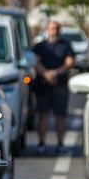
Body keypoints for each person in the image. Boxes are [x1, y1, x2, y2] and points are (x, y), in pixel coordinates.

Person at [32, 19, 75, 154]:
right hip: (43, 85)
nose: (54, 31)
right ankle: (41, 143)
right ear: (47, 29)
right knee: (43, 114)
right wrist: (46, 74)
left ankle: (60, 143)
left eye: (56, 28)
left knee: (60, 116)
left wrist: (55, 73)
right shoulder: (40, 46)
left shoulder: (66, 45)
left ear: (59, 30)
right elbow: (35, 62)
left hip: (60, 85)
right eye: (51, 28)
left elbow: (69, 62)